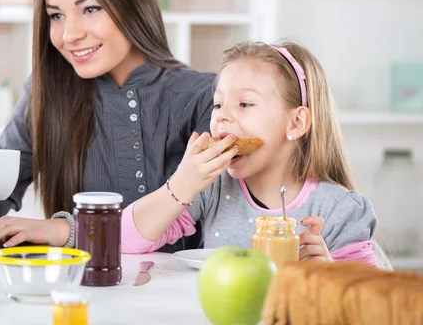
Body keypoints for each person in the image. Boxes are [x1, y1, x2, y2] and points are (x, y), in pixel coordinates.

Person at [0, 0, 215, 250]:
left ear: (135, 3)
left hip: (178, 297)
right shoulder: (46, 92)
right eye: (56, 16)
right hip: (79, 290)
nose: (69, 34)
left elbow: (187, 222)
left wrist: (63, 230)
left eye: (90, 9)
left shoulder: (206, 97)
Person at [120, 41, 379, 266]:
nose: (221, 115)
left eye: (245, 104)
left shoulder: (339, 210)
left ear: (296, 123)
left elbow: (372, 303)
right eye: (218, 104)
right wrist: (180, 185)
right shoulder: (213, 189)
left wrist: (329, 274)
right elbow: (125, 240)